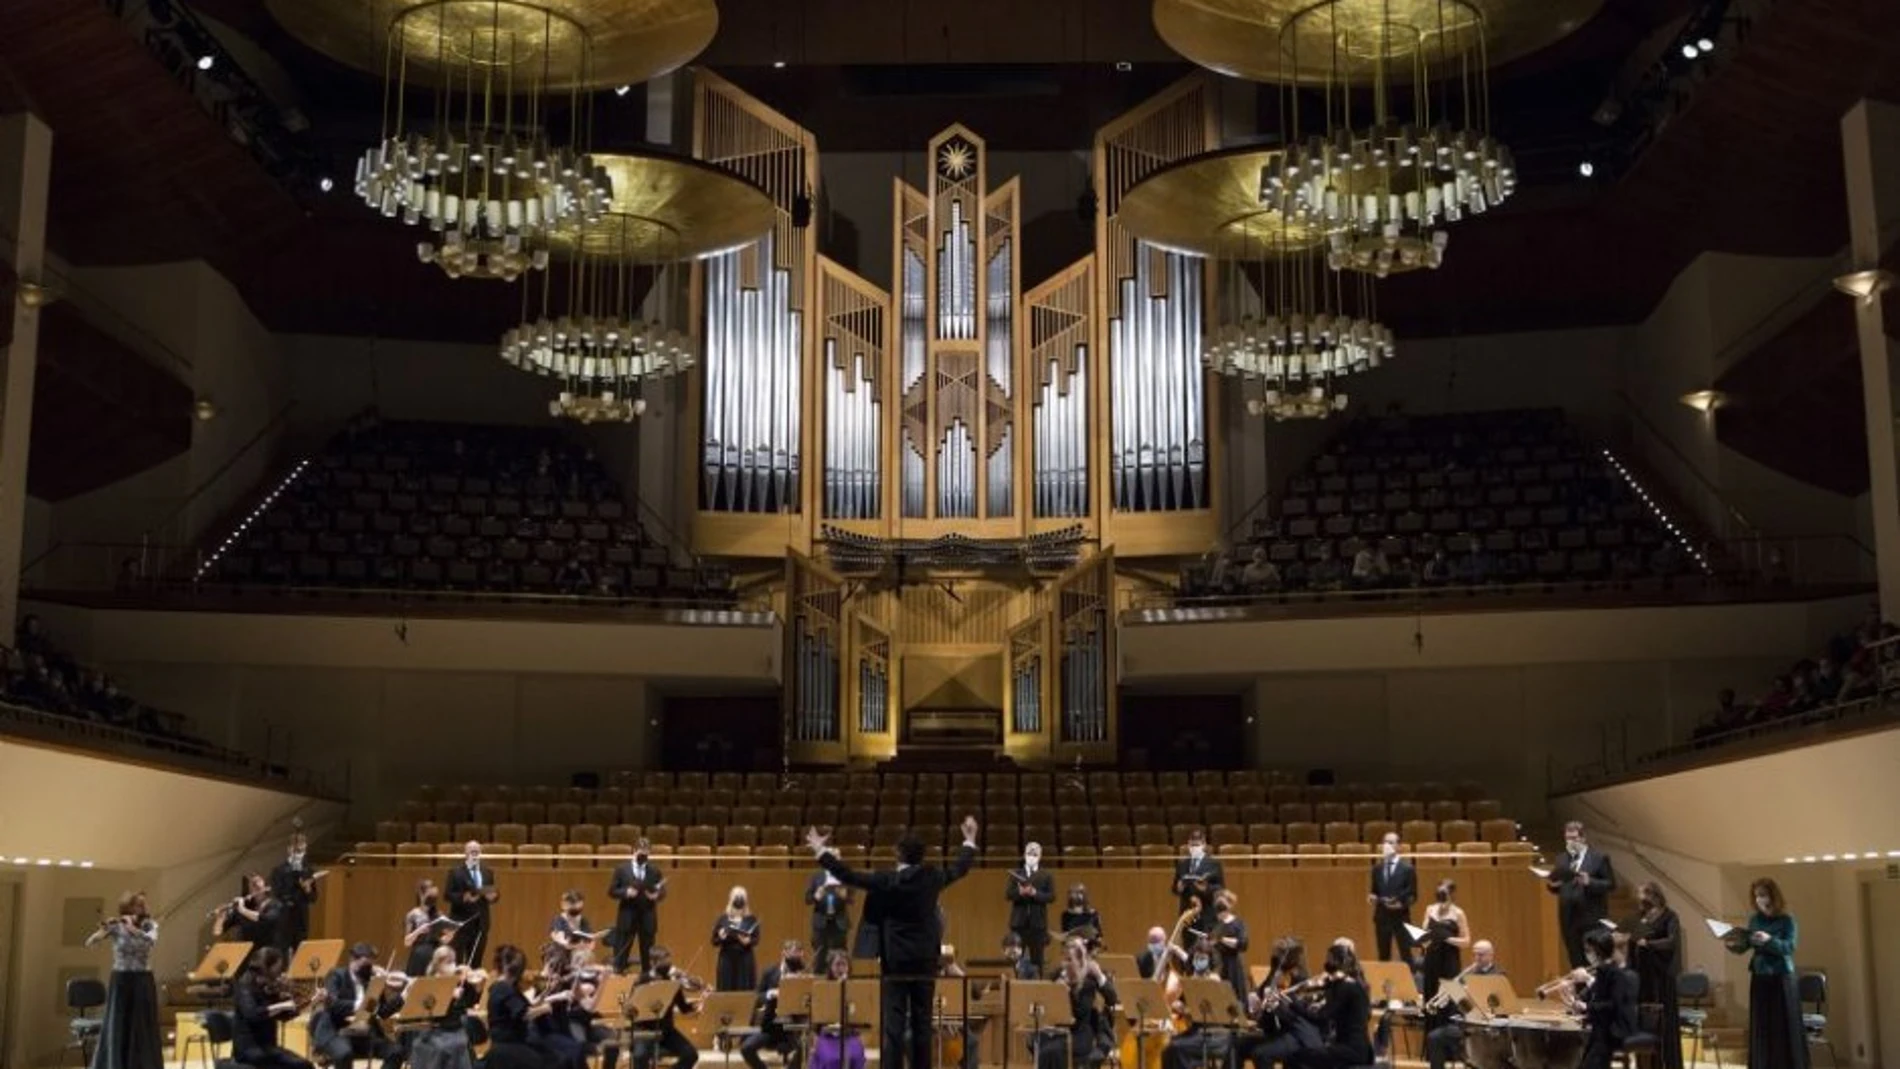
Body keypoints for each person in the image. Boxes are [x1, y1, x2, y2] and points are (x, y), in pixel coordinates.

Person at [807, 815, 979, 1069]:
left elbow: (849, 875)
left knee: (894, 1025)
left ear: (898, 854)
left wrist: (821, 851)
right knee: (922, 1024)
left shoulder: (886, 880)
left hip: (895, 960)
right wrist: (969, 841)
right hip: (924, 960)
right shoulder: (931, 877)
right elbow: (959, 869)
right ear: (922, 856)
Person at [1726, 877, 1808, 1069]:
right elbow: (1746, 944)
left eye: (1762, 895)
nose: (1759, 900)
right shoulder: (1755, 919)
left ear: (1773, 895)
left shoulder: (1786, 919)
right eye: (1756, 896)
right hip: (1760, 976)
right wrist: (1732, 944)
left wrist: (1769, 940)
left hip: (1781, 977)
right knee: (1762, 1026)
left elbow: (1789, 947)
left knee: (1781, 1027)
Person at [85, 891, 163, 1069]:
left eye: (144, 905)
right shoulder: (117, 926)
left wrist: (131, 928)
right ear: (128, 907)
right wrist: (102, 931)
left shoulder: (150, 925)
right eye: (139, 905)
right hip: (121, 980)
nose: (143, 908)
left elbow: (150, 941)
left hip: (142, 980)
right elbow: (90, 942)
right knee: (119, 1022)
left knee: (142, 1024)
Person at [309, 942, 403, 1069]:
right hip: (337, 1032)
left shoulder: (373, 981)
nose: (368, 969)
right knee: (344, 1054)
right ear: (353, 960)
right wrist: (361, 1004)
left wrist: (403, 997)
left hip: (363, 1035)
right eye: (365, 965)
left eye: (370, 965)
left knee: (396, 1052)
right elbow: (333, 1004)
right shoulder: (336, 975)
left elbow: (382, 1012)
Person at [1035, 937, 1119, 1069]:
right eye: (1064, 959)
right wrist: (1055, 990)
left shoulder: (1088, 982)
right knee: (1041, 1044)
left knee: (1052, 1051)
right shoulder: (1058, 976)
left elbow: (1080, 1014)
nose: (1065, 964)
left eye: (1069, 960)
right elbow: (1044, 997)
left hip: (1080, 1034)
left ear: (1079, 961)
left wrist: (1066, 992)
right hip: (1059, 1031)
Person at [1284, 944, 1372, 1069]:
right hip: (1355, 1047)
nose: (1326, 963)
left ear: (1339, 962)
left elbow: (1321, 1017)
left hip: (1351, 1050)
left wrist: (1295, 1005)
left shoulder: (1344, 987)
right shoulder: (1350, 984)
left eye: (1329, 959)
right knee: (1308, 1055)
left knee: (1295, 1057)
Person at [1237, 938, 1319, 1069]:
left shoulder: (1302, 981)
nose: (1275, 958)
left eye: (1279, 954)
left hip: (1296, 1034)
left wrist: (1278, 1006)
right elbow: (1261, 996)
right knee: (1239, 1044)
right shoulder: (1275, 974)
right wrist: (1256, 1001)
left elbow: (1297, 1015)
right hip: (1277, 1032)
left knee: (1262, 1054)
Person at [1423, 941, 1503, 1069]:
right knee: (1434, 1037)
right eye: (1475, 954)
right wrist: (1452, 994)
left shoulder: (1498, 975)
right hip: (1466, 1024)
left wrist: (1467, 990)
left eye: (1481, 955)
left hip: (1487, 1027)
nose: (1477, 958)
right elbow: (1463, 1004)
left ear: (1491, 955)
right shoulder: (1469, 974)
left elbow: (1496, 1004)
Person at [231, 948, 316, 1069]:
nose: (279, 972)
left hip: (267, 1047)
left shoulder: (267, 986)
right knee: (302, 1066)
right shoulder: (245, 985)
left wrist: (312, 1001)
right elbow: (253, 1015)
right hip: (249, 1049)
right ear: (267, 966)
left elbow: (284, 1015)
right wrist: (282, 1005)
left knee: (304, 1065)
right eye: (278, 968)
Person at [1547, 822, 1615, 968]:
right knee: (1575, 960)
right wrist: (1553, 885)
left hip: (1591, 918)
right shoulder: (1561, 859)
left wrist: (1590, 882)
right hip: (1569, 918)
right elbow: (1557, 886)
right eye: (1567, 839)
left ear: (1583, 838)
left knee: (1593, 960)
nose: (1570, 842)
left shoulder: (1598, 858)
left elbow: (1611, 885)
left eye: (1574, 838)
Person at [1631, 882, 1683, 1069]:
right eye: (1640, 896)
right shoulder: (1641, 916)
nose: (1643, 899)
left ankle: (1667, 1063)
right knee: (1646, 1022)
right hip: (1644, 976)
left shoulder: (1670, 916)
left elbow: (1672, 942)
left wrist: (1649, 944)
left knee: (1664, 1023)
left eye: (1646, 895)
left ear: (1656, 895)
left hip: (1662, 975)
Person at [406, 946, 480, 1069]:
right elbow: (432, 1010)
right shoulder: (431, 982)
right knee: (449, 1046)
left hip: (455, 1030)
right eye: (449, 962)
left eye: (454, 961)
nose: (453, 965)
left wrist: (469, 984)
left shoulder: (456, 981)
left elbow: (468, 1003)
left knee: (464, 1044)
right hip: (436, 1031)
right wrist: (449, 995)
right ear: (439, 964)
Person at [1578, 929, 1639, 1069]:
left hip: (1615, 1029)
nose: (1588, 954)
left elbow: (1613, 1005)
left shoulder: (1616, 974)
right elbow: (1591, 997)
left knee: (1593, 1057)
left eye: (1589, 950)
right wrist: (1574, 1001)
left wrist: (1587, 1007)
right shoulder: (1602, 971)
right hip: (1602, 1026)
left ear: (1599, 950)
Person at [633, 945, 702, 1069]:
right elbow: (634, 1008)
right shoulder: (643, 980)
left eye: (668, 961)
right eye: (663, 961)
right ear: (653, 962)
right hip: (644, 1030)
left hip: (666, 1030)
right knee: (640, 1056)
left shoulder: (672, 981)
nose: (668, 965)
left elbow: (683, 1008)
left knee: (691, 1054)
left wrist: (696, 1006)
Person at [743, 941, 809, 1069]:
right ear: (784, 953)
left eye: (799, 953)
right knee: (747, 1048)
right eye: (793, 953)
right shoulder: (770, 972)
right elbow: (758, 996)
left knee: (806, 1045)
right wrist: (770, 993)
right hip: (771, 1027)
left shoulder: (804, 973)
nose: (797, 957)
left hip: (792, 1028)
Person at [484, 945, 550, 1069]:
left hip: (511, 1043)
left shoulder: (506, 986)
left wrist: (544, 996)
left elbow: (524, 1007)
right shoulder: (503, 988)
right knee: (550, 1058)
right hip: (508, 1046)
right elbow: (525, 1014)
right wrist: (547, 1008)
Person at [609, 838, 667, 974]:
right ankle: (618, 977)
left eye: (646, 854)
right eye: (641, 853)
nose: (643, 857)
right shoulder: (622, 869)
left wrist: (656, 896)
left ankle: (647, 979)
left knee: (648, 955)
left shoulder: (654, 870)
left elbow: (662, 891)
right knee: (622, 953)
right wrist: (626, 892)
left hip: (647, 917)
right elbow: (612, 891)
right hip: (627, 916)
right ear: (634, 851)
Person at [215, 873, 283, 975]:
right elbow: (218, 932)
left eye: (258, 881)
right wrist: (220, 917)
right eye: (252, 884)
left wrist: (243, 910)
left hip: (270, 958)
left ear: (265, 886)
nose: (255, 885)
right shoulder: (243, 908)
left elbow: (265, 919)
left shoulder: (275, 905)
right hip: (248, 960)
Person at [810, 950, 868, 1069]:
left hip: (850, 1035)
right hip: (828, 1036)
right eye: (837, 964)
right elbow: (817, 1020)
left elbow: (862, 1016)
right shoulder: (822, 989)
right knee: (831, 1059)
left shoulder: (857, 989)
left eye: (844, 964)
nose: (840, 968)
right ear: (830, 967)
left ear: (849, 967)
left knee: (855, 1057)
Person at [445, 842, 498, 970]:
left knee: (476, 963)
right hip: (461, 923)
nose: (474, 854)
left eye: (477, 852)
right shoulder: (455, 872)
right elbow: (447, 895)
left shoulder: (487, 872)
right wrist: (463, 897)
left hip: (481, 924)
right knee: (458, 963)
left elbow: (493, 892)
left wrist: (494, 897)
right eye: (472, 851)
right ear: (465, 853)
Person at [1367, 833, 1417, 962]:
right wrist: (1372, 897)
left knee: (1406, 955)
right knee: (1383, 956)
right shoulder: (1377, 869)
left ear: (1398, 846)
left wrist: (1401, 905)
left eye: (1390, 842)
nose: (1387, 845)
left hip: (1401, 918)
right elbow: (1374, 891)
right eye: (1385, 842)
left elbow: (1413, 895)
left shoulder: (1408, 869)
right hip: (1382, 918)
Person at [268, 835, 321, 955]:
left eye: (301, 851)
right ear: (289, 849)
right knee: (282, 952)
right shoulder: (279, 870)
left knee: (301, 952)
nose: (299, 854)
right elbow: (277, 893)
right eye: (296, 850)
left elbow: (313, 898)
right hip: (285, 916)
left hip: (301, 917)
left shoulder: (308, 870)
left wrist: (307, 889)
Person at [1417, 880, 1469, 1000]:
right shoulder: (1430, 909)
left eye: (1444, 894)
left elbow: (1466, 942)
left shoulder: (1458, 913)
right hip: (1431, 958)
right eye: (1439, 893)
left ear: (1451, 895)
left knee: (1451, 997)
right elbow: (1424, 932)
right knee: (1430, 994)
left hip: (1449, 959)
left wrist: (1447, 938)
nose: (1441, 897)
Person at [1007, 842, 1057, 969]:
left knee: (1038, 960)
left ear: (1040, 856)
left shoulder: (1046, 875)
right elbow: (1008, 894)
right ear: (1024, 855)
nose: (1031, 856)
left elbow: (1051, 896)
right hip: (1018, 923)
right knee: (1016, 959)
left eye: (1035, 854)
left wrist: (1035, 893)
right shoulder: (1016, 874)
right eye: (1029, 853)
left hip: (1038, 924)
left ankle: (1039, 981)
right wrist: (1020, 892)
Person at [1171, 830, 1225, 936]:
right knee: (1188, 944)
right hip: (1187, 915)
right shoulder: (1182, 864)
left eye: (1197, 845)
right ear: (1188, 845)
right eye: (1192, 845)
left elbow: (1221, 889)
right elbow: (1174, 888)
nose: (1194, 848)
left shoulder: (1214, 864)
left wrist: (1206, 889)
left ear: (1204, 845)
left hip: (1207, 914)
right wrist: (1178, 888)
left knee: (1206, 944)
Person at [714, 886, 762, 991]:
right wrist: (721, 937)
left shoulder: (751, 919)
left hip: (745, 959)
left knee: (744, 989)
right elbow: (714, 941)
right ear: (731, 899)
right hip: (726, 959)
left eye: (741, 896)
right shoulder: (723, 919)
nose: (739, 899)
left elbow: (756, 939)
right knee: (726, 989)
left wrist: (748, 941)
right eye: (736, 896)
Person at [402, 879, 453, 977]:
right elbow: (407, 942)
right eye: (429, 895)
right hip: (419, 955)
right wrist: (418, 931)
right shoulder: (412, 914)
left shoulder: (438, 915)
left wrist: (449, 936)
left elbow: (443, 940)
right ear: (421, 895)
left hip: (435, 955)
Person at [806, 866, 854, 961]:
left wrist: (845, 896)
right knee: (820, 954)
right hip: (820, 922)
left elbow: (852, 900)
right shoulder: (817, 876)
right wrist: (816, 896)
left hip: (839, 922)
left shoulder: (845, 876)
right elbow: (807, 900)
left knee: (840, 955)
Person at [1211, 891, 1251, 1001]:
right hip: (1220, 963)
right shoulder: (1217, 925)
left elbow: (1243, 944)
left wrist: (1222, 939)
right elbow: (1214, 943)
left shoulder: (1238, 923)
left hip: (1233, 963)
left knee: (1235, 992)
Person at [550, 889, 599, 959]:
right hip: (561, 956)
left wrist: (588, 946)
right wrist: (577, 946)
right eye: (573, 904)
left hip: (579, 956)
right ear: (564, 905)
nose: (577, 908)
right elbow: (561, 942)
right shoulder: (558, 920)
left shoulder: (583, 920)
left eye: (579, 906)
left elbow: (591, 940)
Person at [1059, 885, 1104, 951]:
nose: (1075, 896)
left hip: (1089, 949)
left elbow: (1098, 935)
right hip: (1072, 948)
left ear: (1084, 895)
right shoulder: (1066, 914)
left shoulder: (1093, 913)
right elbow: (1065, 935)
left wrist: (1096, 948)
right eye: (1072, 893)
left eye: (1079, 893)